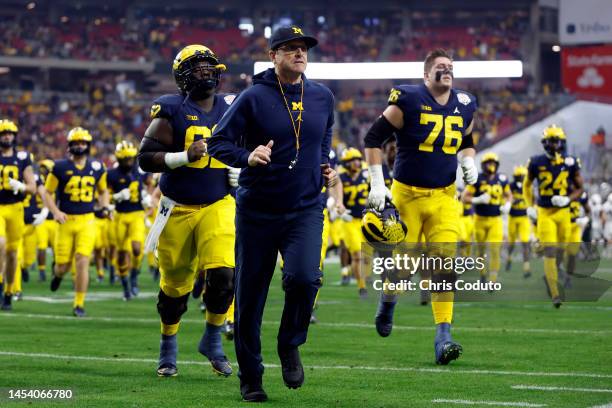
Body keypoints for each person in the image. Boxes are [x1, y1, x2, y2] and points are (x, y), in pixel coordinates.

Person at [207, 25, 336, 402]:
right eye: (290, 48)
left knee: (305, 278)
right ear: (273, 56)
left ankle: (289, 342)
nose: (299, 53)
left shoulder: (322, 96)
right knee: (250, 297)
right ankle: (251, 376)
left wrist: (324, 164)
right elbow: (217, 142)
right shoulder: (252, 97)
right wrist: (247, 156)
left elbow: (324, 136)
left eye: (303, 48)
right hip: (258, 210)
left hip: (305, 208)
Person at [363, 48, 478, 365]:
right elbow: (373, 138)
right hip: (407, 195)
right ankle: (387, 303)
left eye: (450, 66)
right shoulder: (409, 99)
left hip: (444, 196)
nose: (447, 70)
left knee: (445, 262)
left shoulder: (466, 103)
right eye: (440, 66)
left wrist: (469, 161)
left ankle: (444, 335)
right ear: (426, 75)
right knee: (403, 266)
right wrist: (377, 183)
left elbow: (466, 139)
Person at [137, 44, 239, 378]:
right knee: (175, 289)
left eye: (211, 67)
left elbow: (248, 146)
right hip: (176, 208)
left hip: (218, 204)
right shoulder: (171, 109)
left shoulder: (231, 105)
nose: (206, 73)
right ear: (183, 76)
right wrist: (183, 156)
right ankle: (168, 344)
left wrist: (242, 166)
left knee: (225, 275)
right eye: (198, 68)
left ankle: (212, 338)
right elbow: (144, 158)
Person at [43, 127, 110, 317]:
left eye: (83, 143)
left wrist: (104, 207)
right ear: (70, 145)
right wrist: (55, 211)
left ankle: (79, 304)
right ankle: (56, 274)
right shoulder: (59, 167)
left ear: (88, 145)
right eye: (76, 143)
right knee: (62, 266)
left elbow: (103, 191)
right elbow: (47, 192)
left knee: (82, 260)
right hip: (65, 220)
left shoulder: (97, 167)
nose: (80, 146)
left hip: (87, 220)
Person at [523, 124, 583, 308]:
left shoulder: (571, 162)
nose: (554, 145)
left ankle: (550, 269)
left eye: (556, 141)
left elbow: (580, 188)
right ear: (544, 142)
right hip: (545, 211)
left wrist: (567, 199)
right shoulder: (536, 161)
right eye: (550, 141)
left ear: (562, 142)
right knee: (550, 249)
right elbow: (527, 185)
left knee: (561, 250)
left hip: (563, 212)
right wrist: (529, 205)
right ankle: (555, 293)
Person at [0, 120, 37, 310]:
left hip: (15, 208)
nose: (6, 136)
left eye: (9, 133)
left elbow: (32, 187)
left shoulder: (22, 158)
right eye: (3, 133)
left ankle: (8, 290)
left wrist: (22, 186)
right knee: (0, 243)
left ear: (14, 136)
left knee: (13, 253)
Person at [107, 141, 149, 300]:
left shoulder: (139, 172)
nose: (129, 162)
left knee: (137, 249)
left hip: (137, 213)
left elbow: (148, 185)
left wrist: (146, 196)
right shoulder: (111, 174)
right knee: (122, 253)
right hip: (120, 215)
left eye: (131, 158)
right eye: (126, 159)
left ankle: (134, 277)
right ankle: (126, 286)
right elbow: (103, 197)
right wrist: (116, 197)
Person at [462, 152, 511, 284]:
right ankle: (483, 273)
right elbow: (464, 197)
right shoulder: (477, 178)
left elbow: (508, 195)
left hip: (496, 219)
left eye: (493, 163)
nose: (491, 165)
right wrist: (477, 199)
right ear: (483, 165)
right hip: (480, 219)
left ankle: (493, 279)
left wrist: (507, 204)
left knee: (495, 249)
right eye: (488, 163)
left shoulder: (502, 178)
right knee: (481, 249)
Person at [506, 165, 532, 277]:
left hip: (524, 217)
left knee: (525, 243)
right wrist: (513, 201)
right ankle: (509, 258)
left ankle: (526, 267)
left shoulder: (528, 187)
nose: (523, 179)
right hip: (513, 217)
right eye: (521, 177)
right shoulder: (511, 186)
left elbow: (532, 199)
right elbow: (507, 198)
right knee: (511, 243)